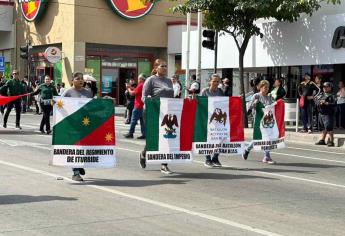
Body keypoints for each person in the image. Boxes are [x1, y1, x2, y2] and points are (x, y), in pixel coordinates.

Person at [139, 59, 174, 174]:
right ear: (156, 68)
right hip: (152, 112)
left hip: (166, 112)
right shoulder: (150, 80)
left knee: (167, 137)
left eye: (166, 66)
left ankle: (164, 164)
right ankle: (144, 153)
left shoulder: (169, 81)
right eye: (162, 66)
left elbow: (171, 96)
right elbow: (143, 97)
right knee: (153, 138)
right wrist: (149, 100)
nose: (164, 68)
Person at [61, 72, 93, 182]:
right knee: (75, 148)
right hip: (72, 125)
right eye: (77, 78)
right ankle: (75, 173)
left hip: (85, 124)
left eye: (82, 79)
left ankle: (79, 165)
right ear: (72, 80)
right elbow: (59, 105)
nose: (80, 80)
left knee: (83, 147)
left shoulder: (88, 92)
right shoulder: (68, 92)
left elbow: (92, 106)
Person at [242, 80, 276, 164]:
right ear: (260, 88)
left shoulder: (269, 97)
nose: (266, 89)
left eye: (268, 87)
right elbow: (248, 110)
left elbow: (272, 108)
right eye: (265, 87)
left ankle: (267, 156)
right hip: (258, 119)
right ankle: (247, 149)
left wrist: (275, 103)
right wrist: (254, 104)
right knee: (258, 139)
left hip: (267, 120)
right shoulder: (256, 96)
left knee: (267, 138)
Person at [201, 74, 225, 167]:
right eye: (214, 81)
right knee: (208, 139)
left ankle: (215, 158)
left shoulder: (220, 91)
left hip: (218, 120)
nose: (215, 83)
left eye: (217, 81)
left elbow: (224, 103)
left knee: (219, 139)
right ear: (210, 81)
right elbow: (201, 103)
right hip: (208, 119)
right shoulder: (205, 91)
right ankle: (207, 159)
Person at [124, 73, 146, 139]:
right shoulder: (145, 85)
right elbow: (135, 90)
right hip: (143, 106)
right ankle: (144, 134)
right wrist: (130, 87)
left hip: (138, 105)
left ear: (141, 79)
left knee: (133, 120)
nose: (138, 80)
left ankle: (131, 133)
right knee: (142, 122)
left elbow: (132, 93)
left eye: (139, 78)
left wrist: (128, 88)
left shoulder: (140, 85)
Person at [315, 82, 337, 147]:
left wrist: (326, 103)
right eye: (324, 87)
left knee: (329, 127)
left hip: (328, 113)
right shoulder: (321, 94)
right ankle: (322, 140)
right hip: (321, 113)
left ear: (330, 87)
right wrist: (319, 103)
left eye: (326, 87)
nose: (324, 88)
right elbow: (316, 101)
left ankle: (331, 141)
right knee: (323, 127)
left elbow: (334, 104)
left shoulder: (333, 95)